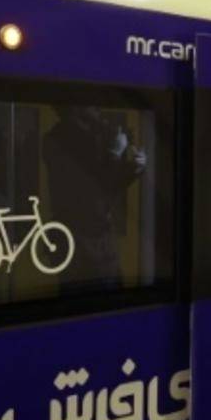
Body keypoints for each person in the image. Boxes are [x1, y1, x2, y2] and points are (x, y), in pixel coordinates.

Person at [42, 106, 146, 290]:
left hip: (91, 240)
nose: (99, 109)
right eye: (92, 105)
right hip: (85, 240)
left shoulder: (83, 136)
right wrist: (114, 154)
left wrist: (134, 168)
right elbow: (95, 190)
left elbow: (108, 184)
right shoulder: (65, 140)